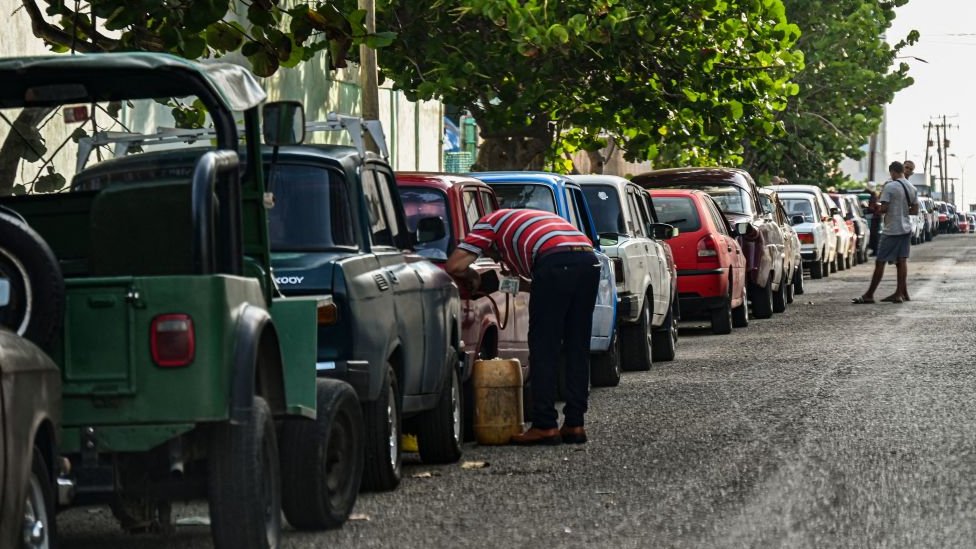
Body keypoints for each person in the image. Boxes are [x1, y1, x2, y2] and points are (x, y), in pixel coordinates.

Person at [445, 208, 601, 445]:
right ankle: (575, 424)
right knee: (576, 346)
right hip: (588, 261)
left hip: (555, 262)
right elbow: (539, 284)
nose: (497, 260)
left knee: (543, 347)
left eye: (492, 254)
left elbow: (455, 265)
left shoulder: (489, 223)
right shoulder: (527, 222)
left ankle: (545, 425)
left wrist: (473, 278)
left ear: (487, 242)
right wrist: (501, 284)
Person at [853, 161, 918, 304]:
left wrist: (879, 208)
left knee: (880, 261)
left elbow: (884, 208)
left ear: (892, 172)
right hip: (906, 228)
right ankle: (899, 294)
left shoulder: (890, 186)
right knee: (902, 261)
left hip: (891, 229)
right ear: (902, 170)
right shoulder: (912, 188)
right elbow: (915, 210)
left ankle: (869, 294)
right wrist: (902, 209)